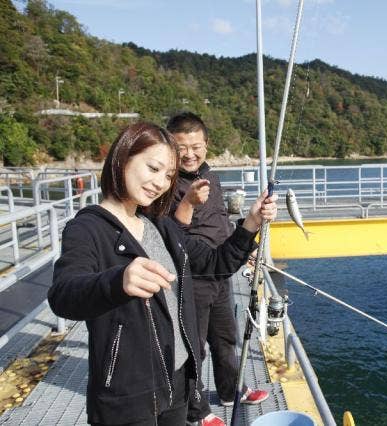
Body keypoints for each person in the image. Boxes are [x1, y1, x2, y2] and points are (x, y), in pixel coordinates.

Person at [48, 122, 278, 426]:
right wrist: (118, 281)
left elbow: (215, 263)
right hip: (127, 395)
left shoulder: (161, 225)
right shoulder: (87, 229)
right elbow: (64, 295)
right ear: (123, 158)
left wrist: (250, 223)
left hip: (179, 381)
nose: (160, 183)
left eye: (169, 176)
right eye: (153, 168)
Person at [166, 112, 268, 426]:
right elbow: (166, 233)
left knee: (226, 338)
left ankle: (229, 390)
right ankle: (196, 410)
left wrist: (243, 252)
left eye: (195, 146)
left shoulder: (211, 175)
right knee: (193, 347)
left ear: (207, 144)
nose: (189, 154)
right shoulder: (165, 183)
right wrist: (187, 202)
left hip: (221, 273)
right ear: (170, 148)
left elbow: (220, 222)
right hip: (190, 277)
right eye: (180, 148)